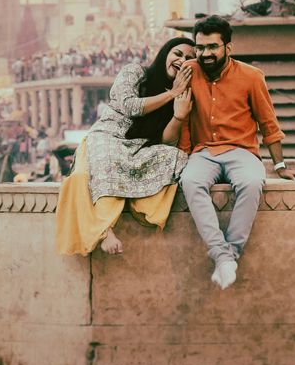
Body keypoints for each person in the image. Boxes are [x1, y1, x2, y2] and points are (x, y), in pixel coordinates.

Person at [178, 16, 295, 290]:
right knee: (190, 181)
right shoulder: (189, 72)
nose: (206, 54)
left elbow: (268, 123)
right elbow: (184, 117)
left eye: (213, 47)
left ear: (228, 47)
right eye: (200, 47)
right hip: (203, 153)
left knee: (251, 183)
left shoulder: (251, 76)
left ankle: (229, 255)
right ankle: (223, 255)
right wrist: (184, 156)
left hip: (242, 151)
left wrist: (281, 166)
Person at [56, 37, 195, 256]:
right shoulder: (135, 72)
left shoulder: (184, 93)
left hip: (138, 148)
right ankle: (104, 230)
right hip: (106, 137)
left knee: (175, 156)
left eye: (189, 58)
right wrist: (171, 94)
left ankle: (142, 210)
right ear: (166, 53)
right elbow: (129, 106)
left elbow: (167, 141)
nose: (182, 60)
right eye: (178, 53)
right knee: (97, 166)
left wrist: (178, 115)